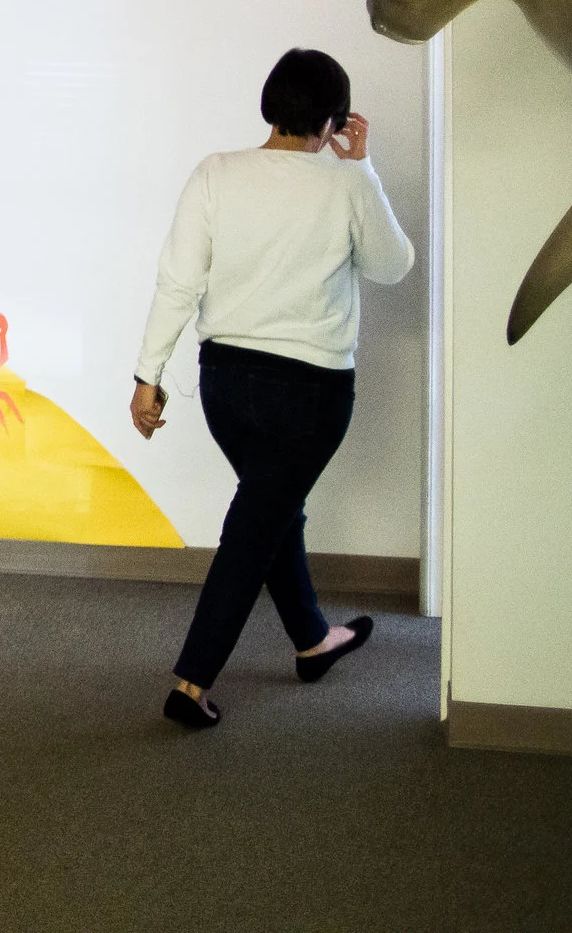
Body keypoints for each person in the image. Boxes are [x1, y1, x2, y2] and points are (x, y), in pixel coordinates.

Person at [130, 48, 415, 729]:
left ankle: (314, 640)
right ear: (334, 117)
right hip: (311, 395)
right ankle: (191, 683)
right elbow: (393, 266)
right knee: (254, 528)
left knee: (270, 510)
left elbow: (178, 281)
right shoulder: (345, 184)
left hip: (225, 385)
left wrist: (148, 377)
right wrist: (362, 167)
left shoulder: (215, 173)